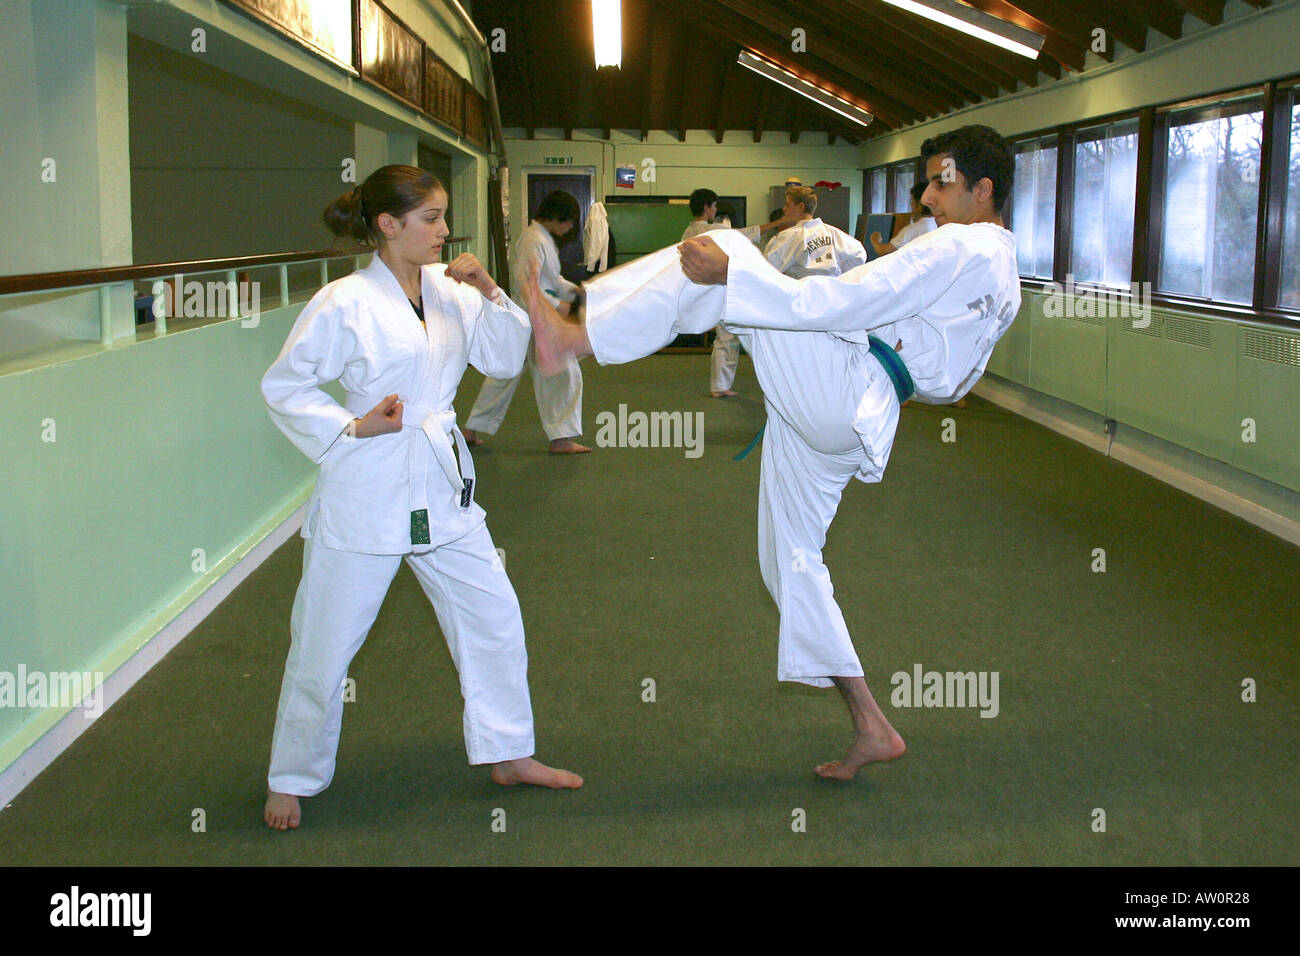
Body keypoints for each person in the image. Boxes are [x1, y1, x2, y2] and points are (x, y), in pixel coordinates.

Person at [526, 125, 1020, 780]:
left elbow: (854, 298)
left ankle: (575, 338)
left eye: (942, 182)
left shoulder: (963, 244)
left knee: (725, 246)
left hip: (843, 387)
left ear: (983, 189)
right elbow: (937, 365)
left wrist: (741, 278)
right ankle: (871, 723)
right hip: (857, 411)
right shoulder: (1006, 278)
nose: (929, 196)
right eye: (927, 181)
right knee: (791, 562)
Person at [260, 165, 583, 831]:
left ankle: (508, 751)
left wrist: (491, 287)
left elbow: (503, 358)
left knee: (495, 619)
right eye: (430, 218)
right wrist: (350, 425)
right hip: (368, 489)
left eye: (441, 217)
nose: (443, 230)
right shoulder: (343, 302)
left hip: (443, 488)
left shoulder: (451, 289)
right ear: (388, 225)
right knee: (323, 642)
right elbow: (284, 386)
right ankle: (291, 775)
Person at [462, 190, 591, 453]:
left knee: (504, 374)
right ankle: (561, 439)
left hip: (532, 317)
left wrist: (576, 292)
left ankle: (471, 429)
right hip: (532, 318)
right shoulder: (533, 240)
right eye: (569, 221)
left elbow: (551, 282)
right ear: (557, 216)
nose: (569, 228)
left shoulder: (541, 239)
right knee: (563, 373)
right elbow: (526, 286)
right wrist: (561, 305)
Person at [682, 187, 793, 397]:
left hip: (707, 291)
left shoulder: (689, 231)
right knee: (733, 335)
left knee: (727, 337)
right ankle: (724, 386)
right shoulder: (712, 231)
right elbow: (747, 233)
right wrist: (779, 222)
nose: (715, 210)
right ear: (707, 207)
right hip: (719, 290)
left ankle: (720, 386)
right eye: (714, 206)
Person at [870, 180, 937, 257]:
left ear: (920, 203)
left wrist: (875, 241)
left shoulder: (911, 230)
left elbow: (883, 251)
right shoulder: (938, 225)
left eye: (912, 200)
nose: (910, 204)